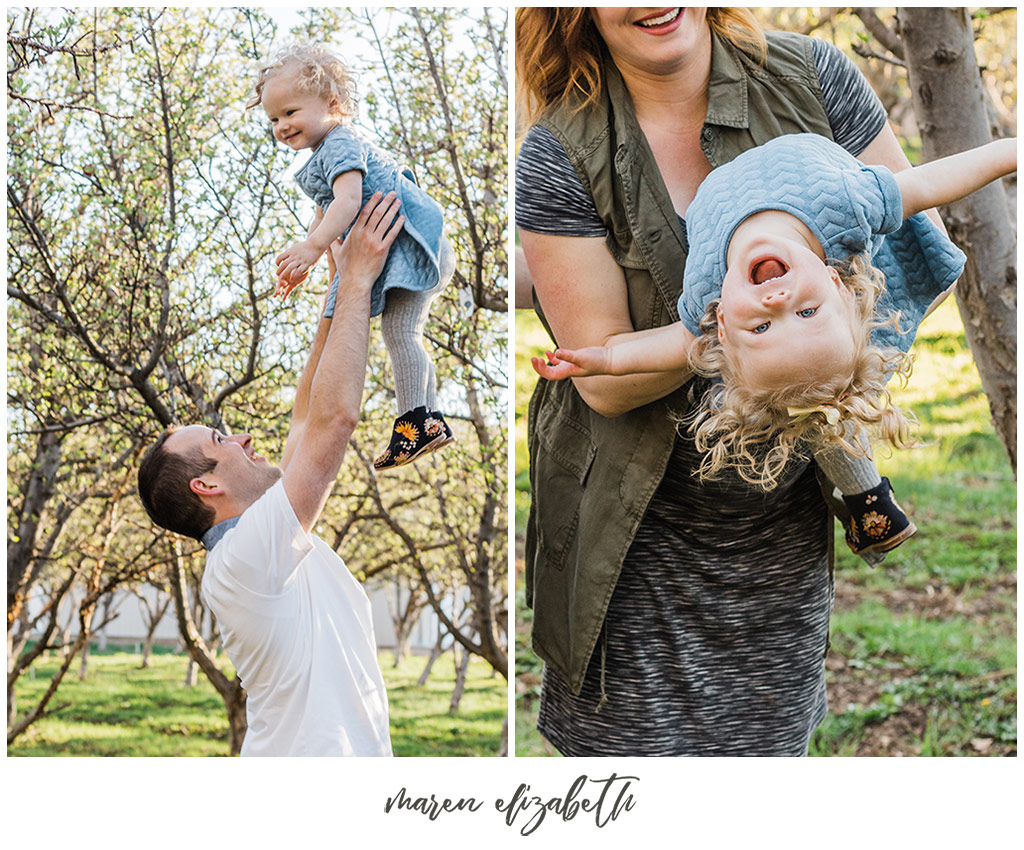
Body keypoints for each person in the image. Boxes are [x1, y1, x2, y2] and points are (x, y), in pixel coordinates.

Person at [516, 7, 957, 756]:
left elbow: (916, 246)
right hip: (633, 546)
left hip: (775, 541)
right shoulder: (560, 149)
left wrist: (816, 346)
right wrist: (740, 336)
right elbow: (607, 379)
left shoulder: (814, 79)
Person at [531, 133, 1015, 557]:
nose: (777, 300)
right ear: (835, 280)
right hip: (855, 263)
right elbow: (931, 184)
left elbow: (674, 344)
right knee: (821, 395)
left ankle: (867, 501)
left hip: (816, 336)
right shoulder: (847, 202)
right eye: (805, 311)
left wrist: (605, 356)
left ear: (721, 322)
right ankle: (870, 498)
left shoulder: (706, 288)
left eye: (760, 326)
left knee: (803, 397)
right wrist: (1009, 152)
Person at [137, 193, 403, 757]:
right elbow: (335, 422)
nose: (243, 439)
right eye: (220, 441)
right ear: (206, 486)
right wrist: (358, 280)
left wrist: (334, 289)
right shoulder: (242, 563)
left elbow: (307, 411)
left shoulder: (267, 542)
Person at [250, 43, 455, 470]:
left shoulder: (340, 143)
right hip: (406, 246)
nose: (281, 125)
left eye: (290, 112)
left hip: (413, 245)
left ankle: (417, 422)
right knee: (404, 332)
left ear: (333, 105)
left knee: (400, 334)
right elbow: (325, 211)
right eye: (273, 118)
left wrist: (312, 248)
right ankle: (428, 417)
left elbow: (347, 203)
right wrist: (306, 258)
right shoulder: (326, 153)